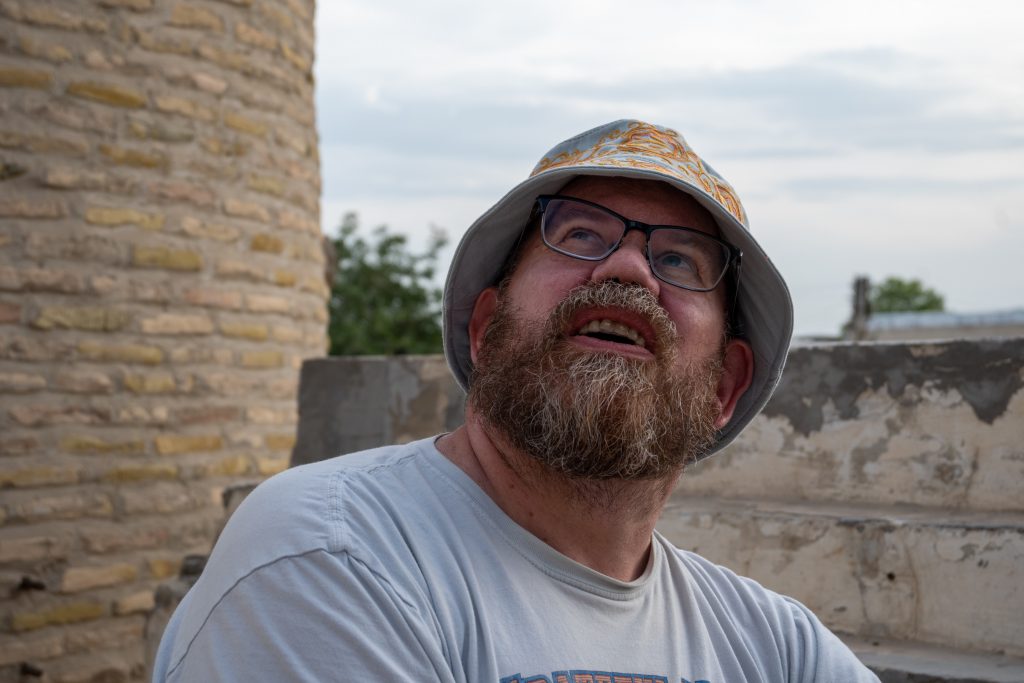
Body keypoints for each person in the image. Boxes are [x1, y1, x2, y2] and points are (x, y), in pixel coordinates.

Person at [153, 120, 880, 682]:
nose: (627, 266)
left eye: (678, 259)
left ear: (724, 386)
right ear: (485, 331)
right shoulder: (335, 553)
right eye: (579, 234)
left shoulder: (772, 644)